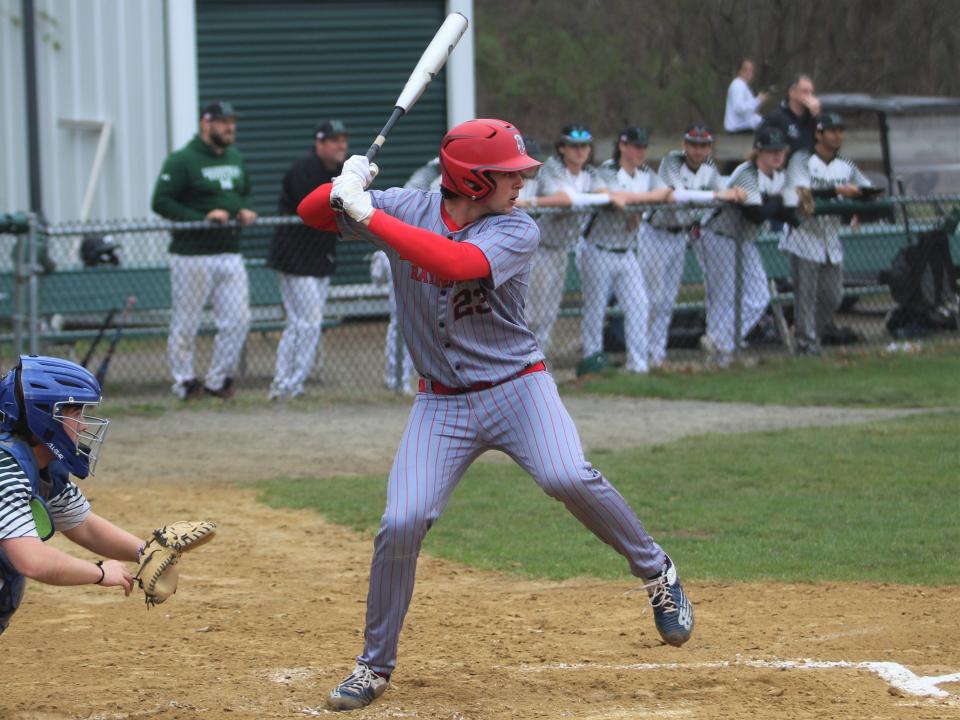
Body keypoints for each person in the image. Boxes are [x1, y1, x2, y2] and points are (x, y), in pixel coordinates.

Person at [297, 118, 695, 711]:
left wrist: (370, 215)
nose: (522, 183)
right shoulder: (407, 204)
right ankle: (373, 666)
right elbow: (310, 215)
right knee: (401, 520)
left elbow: (452, 264)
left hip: (517, 388)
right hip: (441, 403)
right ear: (473, 179)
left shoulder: (516, 229)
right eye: (510, 175)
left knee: (566, 475)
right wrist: (342, 184)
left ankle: (657, 571)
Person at [0, 356, 139, 635]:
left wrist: (147, 552)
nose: (85, 426)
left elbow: (84, 526)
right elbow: (33, 561)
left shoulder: (38, 467)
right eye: (76, 414)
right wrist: (100, 573)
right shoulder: (6, 470)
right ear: (44, 417)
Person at [151, 100, 256, 401]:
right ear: (205, 124)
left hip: (230, 251)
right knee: (187, 320)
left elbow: (244, 191)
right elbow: (161, 201)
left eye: (232, 122)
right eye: (223, 121)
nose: (230, 127)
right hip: (192, 254)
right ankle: (184, 381)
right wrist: (201, 219)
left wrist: (245, 209)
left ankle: (218, 380)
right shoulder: (182, 160)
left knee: (238, 319)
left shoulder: (235, 157)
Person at [647, 125, 747, 367]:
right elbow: (676, 195)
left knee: (668, 299)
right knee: (654, 298)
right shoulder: (673, 160)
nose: (698, 150)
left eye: (703, 145)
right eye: (693, 144)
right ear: (685, 145)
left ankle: (657, 355)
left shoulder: (709, 170)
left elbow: (726, 195)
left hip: (681, 236)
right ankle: (645, 353)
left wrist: (725, 194)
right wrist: (717, 196)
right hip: (656, 234)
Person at [700, 125, 800, 365]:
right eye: (770, 150)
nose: (777, 155)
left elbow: (786, 213)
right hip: (717, 235)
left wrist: (793, 211)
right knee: (723, 297)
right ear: (758, 151)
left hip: (743, 240)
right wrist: (778, 202)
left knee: (757, 296)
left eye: (781, 150)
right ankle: (720, 355)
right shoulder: (746, 173)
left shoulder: (779, 177)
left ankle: (718, 344)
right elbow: (756, 213)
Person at [267, 120, 350, 400]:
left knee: (304, 322)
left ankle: (290, 384)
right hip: (294, 257)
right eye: (334, 140)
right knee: (306, 321)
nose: (341, 145)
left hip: (321, 257)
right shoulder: (303, 169)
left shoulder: (341, 171)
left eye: (343, 140)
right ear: (320, 143)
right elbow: (315, 209)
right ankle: (286, 384)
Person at [780, 113, 871, 355]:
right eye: (832, 131)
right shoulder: (801, 159)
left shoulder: (845, 164)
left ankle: (808, 335)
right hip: (804, 237)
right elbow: (800, 192)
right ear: (819, 134)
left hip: (830, 238)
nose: (837, 135)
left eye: (840, 130)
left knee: (833, 297)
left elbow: (868, 189)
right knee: (806, 297)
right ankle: (806, 344)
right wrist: (835, 190)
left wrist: (858, 204)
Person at [584, 126, 673, 374]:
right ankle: (592, 363)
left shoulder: (645, 174)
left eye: (643, 147)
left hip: (626, 251)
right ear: (622, 146)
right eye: (636, 146)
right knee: (595, 309)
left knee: (639, 305)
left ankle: (638, 364)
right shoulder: (607, 170)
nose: (641, 151)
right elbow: (612, 196)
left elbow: (665, 192)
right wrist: (642, 200)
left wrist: (635, 201)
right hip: (598, 249)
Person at [517, 124, 607, 356]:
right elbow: (564, 199)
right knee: (532, 313)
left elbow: (604, 196)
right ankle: (524, 361)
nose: (579, 151)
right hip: (540, 249)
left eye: (584, 146)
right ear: (562, 148)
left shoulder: (590, 174)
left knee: (549, 312)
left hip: (562, 249)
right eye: (573, 146)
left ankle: (541, 363)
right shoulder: (553, 168)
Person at [763, 74, 821, 157]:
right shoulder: (775, 117)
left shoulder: (812, 118)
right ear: (792, 92)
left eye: (811, 92)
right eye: (805, 91)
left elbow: (821, 144)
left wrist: (816, 117)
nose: (810, 96)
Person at [723, 59, 769, 133]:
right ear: (739, 71)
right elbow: (739, 108)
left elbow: (749, 111)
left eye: (751, 70)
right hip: (739, 130)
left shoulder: (744, 86)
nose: (748, 73)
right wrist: (758, 100)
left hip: (744, 128)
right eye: (745, 69)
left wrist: (760, 102)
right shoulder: (738, 85)